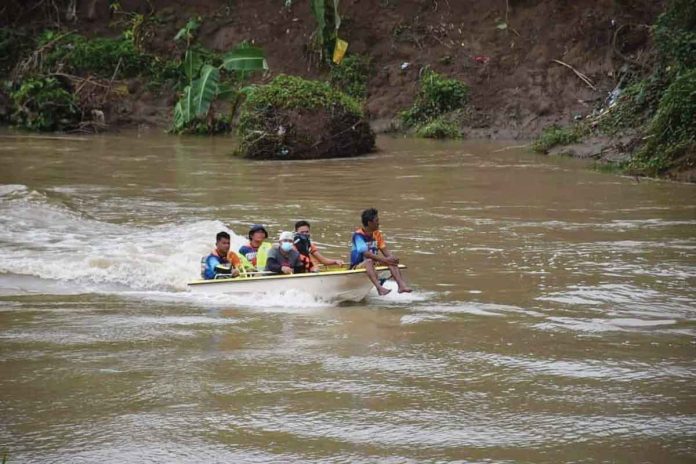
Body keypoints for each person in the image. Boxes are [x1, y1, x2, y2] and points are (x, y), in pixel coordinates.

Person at [350, 208, 412, 295]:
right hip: (358, 265)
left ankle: (401, 286)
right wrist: (384, 260)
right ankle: (379, 288)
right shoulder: (358, 235)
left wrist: (392, 258)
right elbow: (365, 253)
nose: (378, 223)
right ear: (369, 223)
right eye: (376, 220)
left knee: (391, 260)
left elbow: (385, 250)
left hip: (374, 264)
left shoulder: (377, 234)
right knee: (369, 261)